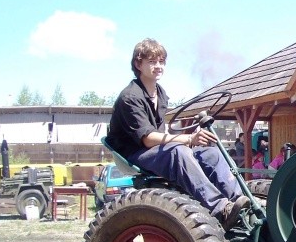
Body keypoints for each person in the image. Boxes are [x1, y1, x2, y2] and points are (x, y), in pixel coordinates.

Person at [106, 38, 250, 228]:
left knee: (210, 152)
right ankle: (220, 209)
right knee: (178, 151)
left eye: (161, 61)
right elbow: (148, 139)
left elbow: (160, 133)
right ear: (138, 64)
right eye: (152, 61)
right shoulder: (130, 97)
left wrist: (192, 141)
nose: (158, 66)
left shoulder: (160, 93)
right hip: (134, 153)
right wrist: (189, 139)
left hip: (155, 149)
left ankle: (240, 202)